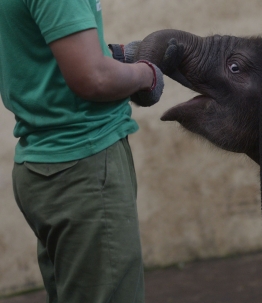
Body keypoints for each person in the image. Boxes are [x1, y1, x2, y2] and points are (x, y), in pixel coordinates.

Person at [0, 0, 178, 302]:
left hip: (42, 162)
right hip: (83, 165)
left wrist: (109, 57)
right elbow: (94, 77)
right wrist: (145, 74)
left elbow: (40, 52)